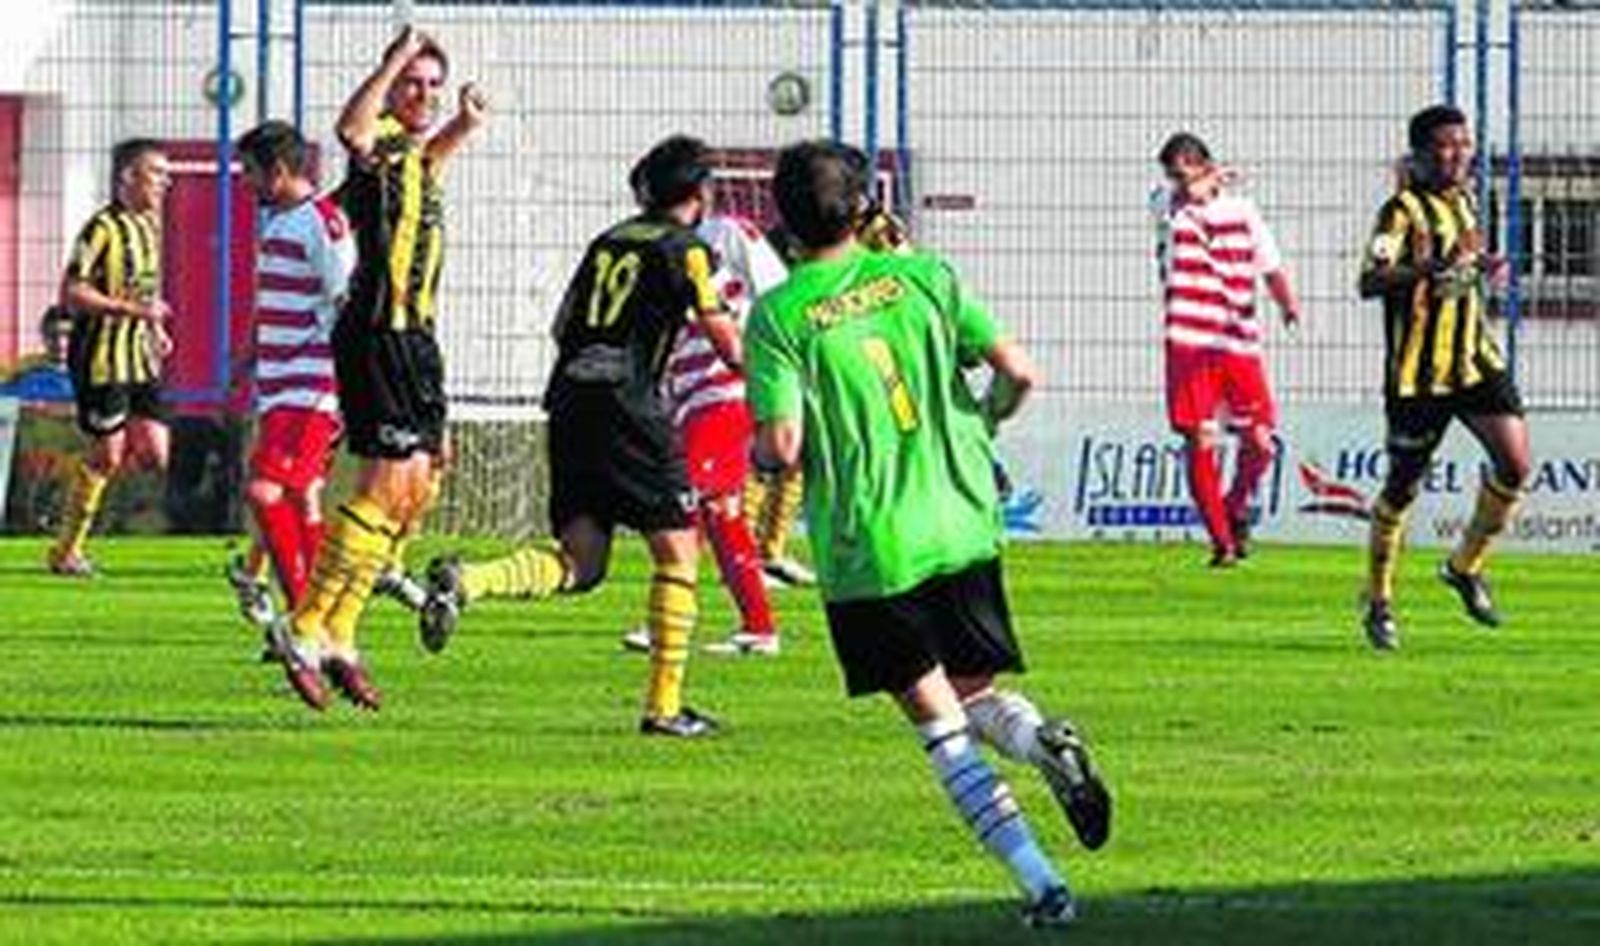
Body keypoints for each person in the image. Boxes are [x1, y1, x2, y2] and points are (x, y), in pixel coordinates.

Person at [745, 139, 1111, 926]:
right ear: (865, 204)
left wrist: (755, 450)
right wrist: (984, 424)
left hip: (874, 545)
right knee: (973, 690)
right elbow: (1020, 371)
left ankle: (1042, 884)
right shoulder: (925, 277)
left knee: (941, 728)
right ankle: (1045, 742)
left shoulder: (779, 314)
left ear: (784, 217)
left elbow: (780, 447)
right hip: (965, 519)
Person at [423, 135, 743, 737]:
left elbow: (562, 324)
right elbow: (728, 345)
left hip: (570, 399)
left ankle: (471, 581)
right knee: (679, 552)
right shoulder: (688, 249)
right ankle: (664, 708)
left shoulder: (608, 240)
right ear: (699, 195)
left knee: (583, 560)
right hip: (630, 408)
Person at [267, 26, 488, 710]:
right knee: (382, 486)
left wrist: (462, 124)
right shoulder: (377, 145)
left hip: (418, 340)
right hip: (376, 335)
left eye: (430, 85)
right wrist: (392, 58)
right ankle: (302, 626)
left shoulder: (416, 157)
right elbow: (350, 129)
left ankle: (341, 631)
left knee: (415, 492)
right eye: (411, 85)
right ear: (393, 89)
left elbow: (425, 164)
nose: (421, 94)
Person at [1356, 104, 1530, 651]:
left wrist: (1480, 268)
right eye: (1445, 146)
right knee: (1401, 488)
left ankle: (1464, 566)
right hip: (1417, 377)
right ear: (1421, 155)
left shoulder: (1468, 203)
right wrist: (1428, 269)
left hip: (1474, 361)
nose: (1458, 155)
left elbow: (1462, 270)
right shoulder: (1400, 211)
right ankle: (1379, 599)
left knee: (1516, 463)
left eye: (1464, 145)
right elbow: (1370, 279)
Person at [620, 213, 788, 657]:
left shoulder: (713, 244)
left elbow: (765, 295)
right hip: (694, 401)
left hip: (723, 394)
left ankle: (672, 618)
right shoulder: (668, 257)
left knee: (694, 502)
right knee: (717, 510)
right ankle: (758, 625)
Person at [226, 120, 356, 643]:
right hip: (281, 386)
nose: (245, 183)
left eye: (250, 173)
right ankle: (315, 621)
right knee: (300, 501)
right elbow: (279, 301)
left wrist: (346, 382)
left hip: (311, 384)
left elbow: (344, 301)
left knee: (263, 491)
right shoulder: (280, 222)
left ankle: (305, 616)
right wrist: (246, 359)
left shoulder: (321, 223)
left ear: (279, 171)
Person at [1150, 132, 1301, 566]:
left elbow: (1269, 263)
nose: (1178, 181)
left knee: (1261, 442)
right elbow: (1183, 201)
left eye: (1185, 170)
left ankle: (1234, 510)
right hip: (1189, 339)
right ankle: (1222, 543)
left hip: (1237, 338)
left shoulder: (1242, 210)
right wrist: (1208, 178)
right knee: (1200, 437)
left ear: (1203, 164)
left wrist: (1287, 302)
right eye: (1173, 173)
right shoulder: (1164, 203)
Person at [47, 139, 173, 577]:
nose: (166, 182)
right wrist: (136, 312)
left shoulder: (151, 225)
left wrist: (155, 327)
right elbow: (73, 291)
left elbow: (147, 287)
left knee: (156, 453)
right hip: (100, 357)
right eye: (156, 173)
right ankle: (66, 550)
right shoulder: (101, 228)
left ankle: (87, 490)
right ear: (128, 177)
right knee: (107, 457)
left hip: (139, 357)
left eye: (166, 174)